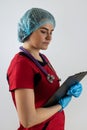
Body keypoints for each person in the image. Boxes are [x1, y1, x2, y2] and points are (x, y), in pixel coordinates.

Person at [7, 8, 82, 130]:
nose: (49, 37)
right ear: (28, 30)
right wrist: (60, 105)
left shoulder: (43, 58)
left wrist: (67, 90)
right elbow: (28, 120)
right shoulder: (21, 65)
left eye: (51, 32)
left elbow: (46, 93)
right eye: (43, 31)